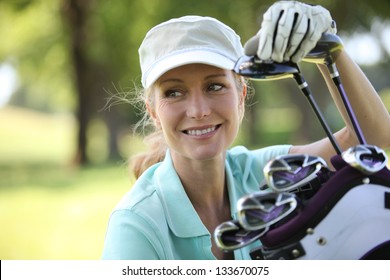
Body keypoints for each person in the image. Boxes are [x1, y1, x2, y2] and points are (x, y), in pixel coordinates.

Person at [102, 1, 390, 260]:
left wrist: (329, 50)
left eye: (215, 86)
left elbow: (371, 137)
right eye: (174, 92)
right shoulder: (135, 225)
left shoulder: (261, 171)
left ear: (241, 94)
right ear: (153, 111)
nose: (198, 110)